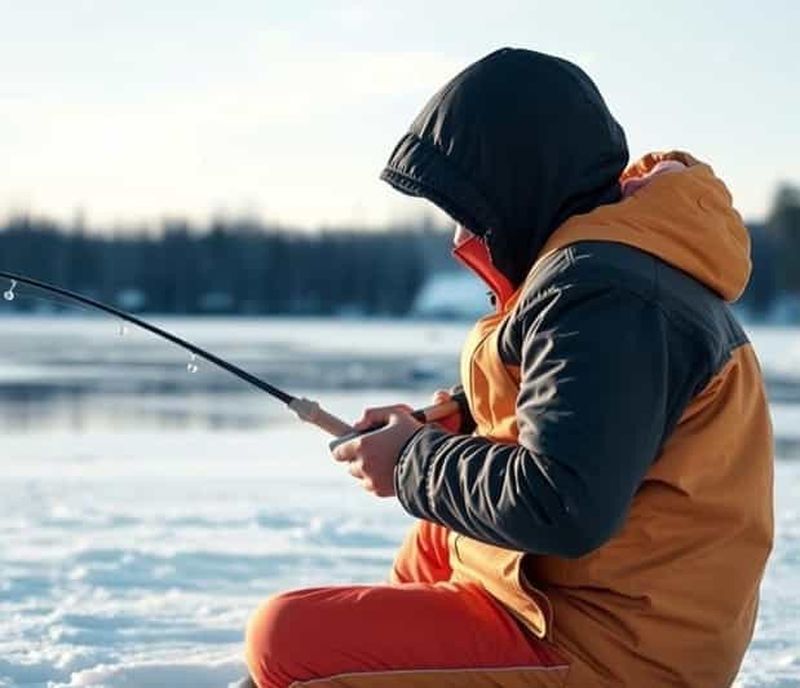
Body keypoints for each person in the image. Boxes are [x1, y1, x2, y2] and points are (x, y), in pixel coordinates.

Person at [243, 47, 774, 688]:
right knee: (437, 539)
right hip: (588, 602)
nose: (460, 234)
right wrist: (453, 417)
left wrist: (411, 460)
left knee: (283, 637)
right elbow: (588, 404)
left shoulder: (607, 294)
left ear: (517, 190)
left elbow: (565, 502)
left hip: (613, 647)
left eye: (467, 208)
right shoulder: (616, 262)